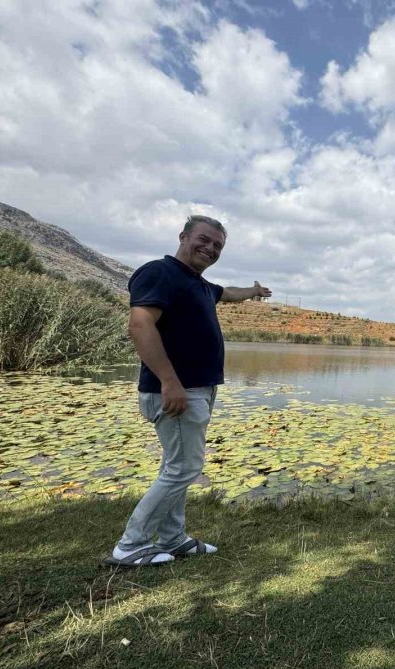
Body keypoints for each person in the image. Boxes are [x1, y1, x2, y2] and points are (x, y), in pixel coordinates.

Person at [105, 215, 271, 567]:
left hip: (196, 389)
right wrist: (170, 381)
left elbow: (230, 294)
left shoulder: (200, 284)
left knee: (176, 465)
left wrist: (254, 291)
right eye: (204, 239)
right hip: (177, 390)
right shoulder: (159, 272)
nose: (210, 248)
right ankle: (131, 545)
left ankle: (173, 539)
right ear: (183, 236)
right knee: (184, 467)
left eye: (218, 246)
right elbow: (139, 325)